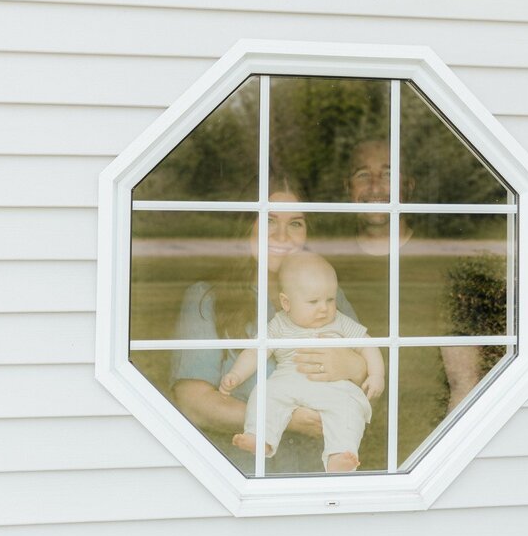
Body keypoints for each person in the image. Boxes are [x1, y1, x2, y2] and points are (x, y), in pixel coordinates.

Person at [169, 178, 369, 473]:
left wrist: (352, 366)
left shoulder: (329, 296)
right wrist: (286, 418)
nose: (282, 236)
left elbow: (367, 370)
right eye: (268, 220)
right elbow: (194, 403)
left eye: (296, 224)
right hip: (240, 473)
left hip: (321, 472)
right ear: (246, 225)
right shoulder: (206, 297)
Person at [345, 139, 482, 411]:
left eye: (388, 174)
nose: (375, 186)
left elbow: (464, 383)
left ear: (409, 185)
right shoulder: (325, 264)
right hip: (339, 440)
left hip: (423, 440)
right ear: (346, 187)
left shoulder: (440, 266)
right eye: (363, 175)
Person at [222, 252, 384, 472]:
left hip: (334, 387)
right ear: (286, 303)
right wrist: (237, 375)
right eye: (313, 302)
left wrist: (376, 375)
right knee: (264, 394)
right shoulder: (279, 325)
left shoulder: (340, 322)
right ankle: (260, 437)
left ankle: (341, 454)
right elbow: (256, 351)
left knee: (349, 408)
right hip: (289, 381)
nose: (324, 308)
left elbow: (367, 344)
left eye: (330, 299)